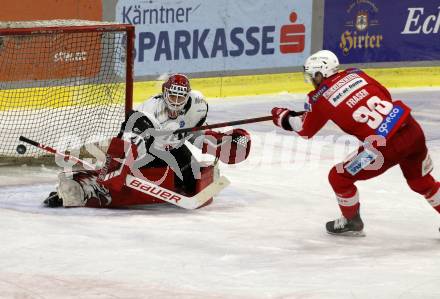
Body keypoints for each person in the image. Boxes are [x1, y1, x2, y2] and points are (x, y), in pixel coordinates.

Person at [271, 50, 440, 236]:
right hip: (411, 130)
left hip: (383, 148)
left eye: (313, 76)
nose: (312, 81)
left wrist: (283, 117)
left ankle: (352, 220)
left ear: (321, 73)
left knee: (339, 177)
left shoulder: (318, 97)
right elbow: (385, 95)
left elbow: (305, 130)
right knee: (422, 182)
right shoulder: (356, 73)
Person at [44, 73, 250, 208]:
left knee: (190, 182)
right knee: (122, 174)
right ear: (164, 93)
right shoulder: (148, 110)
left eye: (181, 98)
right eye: (173, 96)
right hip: (151, 149)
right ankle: (94, 186)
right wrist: (123, 164)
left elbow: (196, 134)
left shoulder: (197, 107)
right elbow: (130, 139)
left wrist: (222, 143)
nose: (176, 102)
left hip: (175, 148)